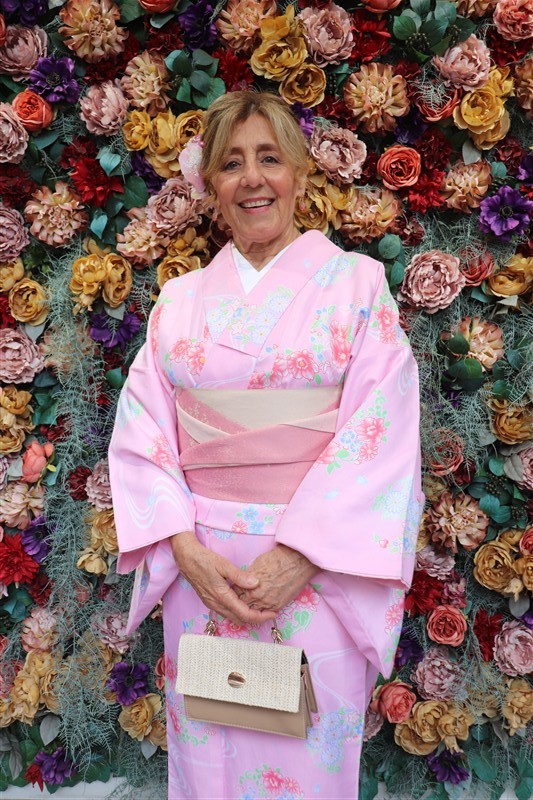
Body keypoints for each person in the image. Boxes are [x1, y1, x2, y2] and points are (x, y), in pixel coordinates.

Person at [108, 90, 423, 800]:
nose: (252, 179)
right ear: (211, 187)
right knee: (209, 756)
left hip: (316, 573)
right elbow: (143, 432)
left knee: (304, 761)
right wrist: (183, 549)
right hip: (204, 572)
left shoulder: (355, 286)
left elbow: (382, 432)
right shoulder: (179, 301)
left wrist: (302, 555)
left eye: (270, 158)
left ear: (300, 175)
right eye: (231, 163)